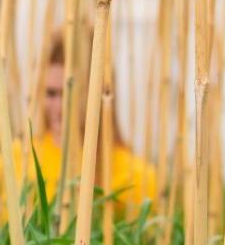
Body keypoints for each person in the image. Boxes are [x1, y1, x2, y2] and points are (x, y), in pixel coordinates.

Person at [20, 32, 158, 210]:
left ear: (100, 95)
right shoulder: (19, 161)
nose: (60, 107)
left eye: (71, 94)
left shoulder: (136, 177)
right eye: (51, 93)